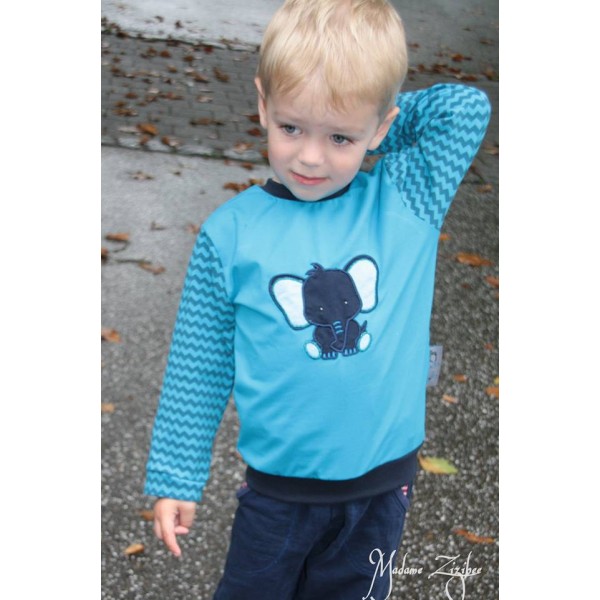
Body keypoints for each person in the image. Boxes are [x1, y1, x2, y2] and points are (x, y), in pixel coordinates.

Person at [144, 0, 491, 598]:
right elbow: (199, 365)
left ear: (380, 128)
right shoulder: (230, 234)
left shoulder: (406, 199)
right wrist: (176, 476)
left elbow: (465, 109)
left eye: (339, 136)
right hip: (279, 492)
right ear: (263, 105)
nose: (310, 156)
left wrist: (370, 115)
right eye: (291, 127)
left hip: (382, 488)